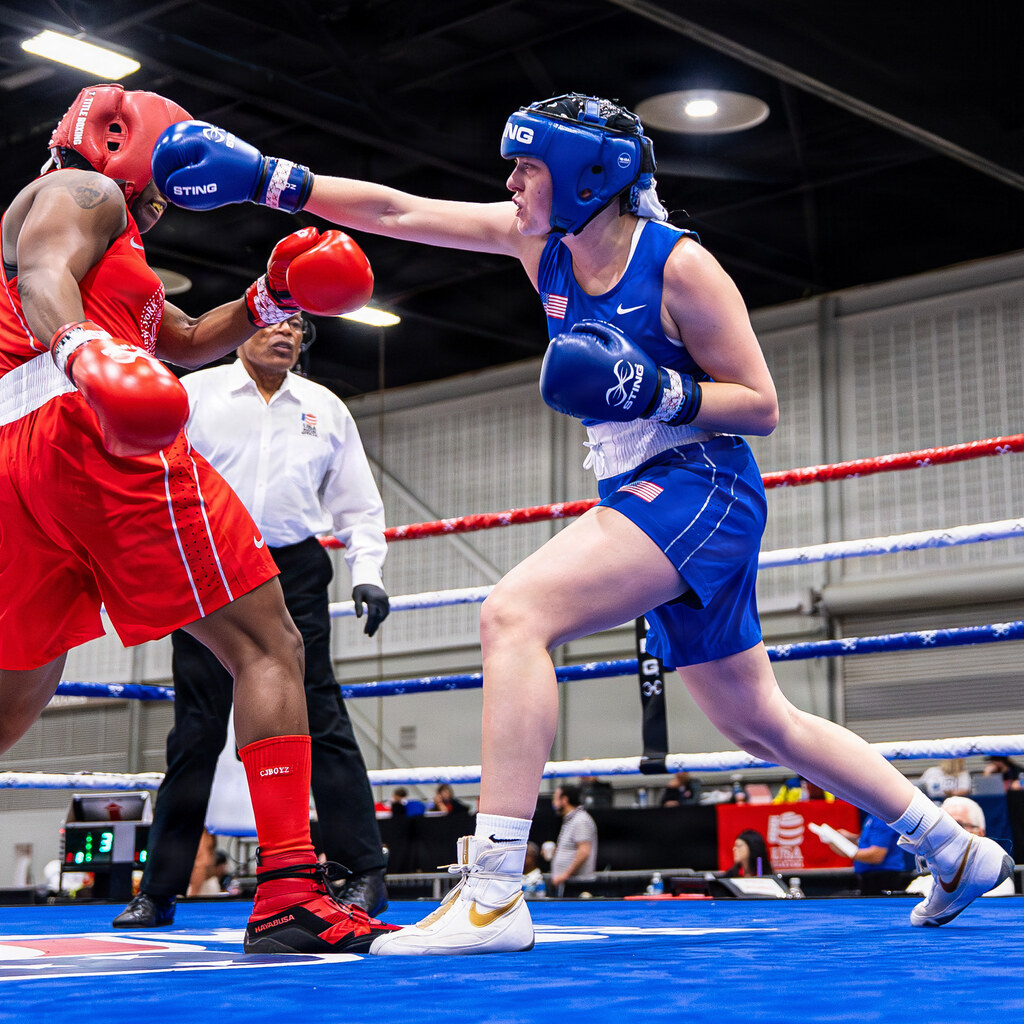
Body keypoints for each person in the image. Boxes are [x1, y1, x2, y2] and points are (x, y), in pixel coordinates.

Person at [153, 91, 1015, 954]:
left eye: (528, 166)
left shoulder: (681, 267)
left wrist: (656, 389)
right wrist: (273, 181)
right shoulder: (543, 244)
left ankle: (491, 892)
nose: (511, 180)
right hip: (643, 494)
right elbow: (398, 210)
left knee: (514, 613)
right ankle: (952, 847)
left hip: (701, 483)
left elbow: (760, 404)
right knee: (761, 721)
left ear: (585, 177)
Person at [0, 83, 398, 954]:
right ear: (123, 141)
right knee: (267, 644)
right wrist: (86, 353)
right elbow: (43, 277)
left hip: (16, 458)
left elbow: (177, 339)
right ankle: (292, 889)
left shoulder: (115, 245)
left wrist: (269, 297)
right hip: (88, 428)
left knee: (14, 695)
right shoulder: (85, 193)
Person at [113, 312, 391, 929]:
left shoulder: (325, 406)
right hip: (207, 559)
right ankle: (157, 890)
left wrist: (367, 570)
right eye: (273, 321)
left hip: (295, 567)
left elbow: (356, 502)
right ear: (242, 328)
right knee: (196, 729)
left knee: (320, 711)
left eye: (297, 325)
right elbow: (147, 472)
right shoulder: (192, 392)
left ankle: (362, 872)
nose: (286, 332)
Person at [906, 797, 1015, 898]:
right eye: (942, 826)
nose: (948, 833)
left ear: (980, 833)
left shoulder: (997, 884)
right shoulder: (919, 885)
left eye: (958, 825)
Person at [824, 813, 914, 896]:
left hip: (883, 878)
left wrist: (847, 851)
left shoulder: (882, 818)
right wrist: (848, 838)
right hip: (871, 877)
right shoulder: (873, 816)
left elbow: (876, 855)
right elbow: (868, 841)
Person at [549, 784, 598, 894]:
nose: (553, 803)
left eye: (555, 798)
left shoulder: (580, 820)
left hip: (577, 884)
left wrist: (564, 875)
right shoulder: (570, 820)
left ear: (564, 800)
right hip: (568, 883)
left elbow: (584, 851)